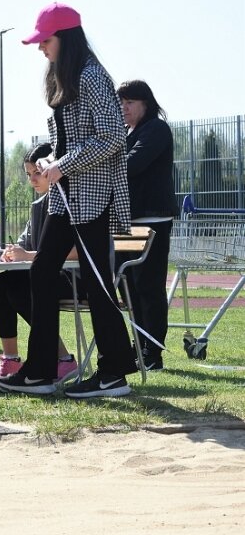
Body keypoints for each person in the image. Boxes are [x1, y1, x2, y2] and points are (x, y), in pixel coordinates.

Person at [0, 3, 135, 398]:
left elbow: (111, 137)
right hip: (66, 197)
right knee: (41, 273)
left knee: (96, 280)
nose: (41, 49)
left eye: (45, 40)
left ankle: (114, 372)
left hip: (90, 196)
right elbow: (70, 140)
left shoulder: (91, 76)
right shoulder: (66, 78)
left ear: (65, 38)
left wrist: (62, 165)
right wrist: (47, 160)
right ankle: (40, 370)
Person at [0, 143, 79, 381]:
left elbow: (79, 251)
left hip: (77, 279)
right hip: (47, 275)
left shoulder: (72, 202)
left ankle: (63, 359)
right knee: (1, 281)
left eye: (37, 173)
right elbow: (26, 245)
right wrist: (11, 252)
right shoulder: (37, 207)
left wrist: (28, 256)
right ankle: (10, 359)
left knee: (24, 285)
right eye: (28, 174)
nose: (32, 179)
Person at [116, 80, 178, 372]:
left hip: (152, 220)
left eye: (130, 103)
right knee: (128, 283)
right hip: (129, 221)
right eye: (122, 103)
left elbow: (133, 164)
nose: (124, 109)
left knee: (148, 285)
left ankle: (153, 351)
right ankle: (139, 346)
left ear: (145, 104)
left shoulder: (156, 129)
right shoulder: (128, 132)